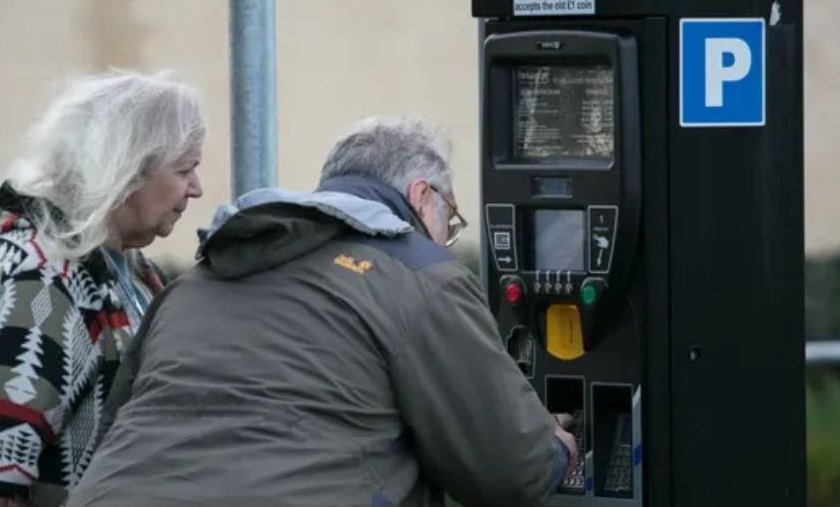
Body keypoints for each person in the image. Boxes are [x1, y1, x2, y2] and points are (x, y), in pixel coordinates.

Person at [67, 117, 576, 507]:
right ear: (424, 199)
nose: (446, 239)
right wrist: (560, 450)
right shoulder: (421, 279)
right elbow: (508, 469)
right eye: (451, 221)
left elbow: (115, 429)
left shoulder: (193, 285)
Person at [0, 70, 207, 507]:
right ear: (124, 169)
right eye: (184, 169)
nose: (196, 189)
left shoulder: (125, 269)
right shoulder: (38, 278)